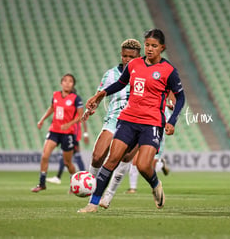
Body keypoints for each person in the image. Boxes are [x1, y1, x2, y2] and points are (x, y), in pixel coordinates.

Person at [78, 29, 185, 213]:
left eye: (154, 46)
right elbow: (120, 83)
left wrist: (172, 121)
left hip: (151, 122)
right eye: (147, 45)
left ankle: (155, 184)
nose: (149, 49)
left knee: (143, 165)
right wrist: (100, 95)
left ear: (162, 48)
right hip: (128, 119)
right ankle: (93, 203)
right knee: (112, 159)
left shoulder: (169, 71)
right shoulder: (135, 64)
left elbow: (180, 97)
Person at [99, 98, 175, 208]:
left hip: (154, 133)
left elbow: (166, 124)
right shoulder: (139, 97)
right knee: (131, 160)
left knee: (146, 166)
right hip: (136, 125)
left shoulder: (161, 107)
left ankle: (160, 167)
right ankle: (128, 189)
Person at [85, 39, 142, 178]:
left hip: (135, 120)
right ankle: (90, 183)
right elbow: (99, 95)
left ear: (139, 57)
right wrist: (92, 107)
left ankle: (107, 194)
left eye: (131, 57)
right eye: (124, 56)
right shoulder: (111, 74)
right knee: (98, 156)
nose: (127, 59)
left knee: (125, 157)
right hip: (114, 118)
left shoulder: (144, 74)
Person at [32, 73, 84, 192]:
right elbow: (52, 108)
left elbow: (80, 116)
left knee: (67, 162)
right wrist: (42, 120)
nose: (67, 83)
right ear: (61, 83)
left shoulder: (76, 98)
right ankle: (42, 183)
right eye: (65, 81)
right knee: (45, 155)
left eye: (70, 81)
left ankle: (73, 183)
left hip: (68, 133)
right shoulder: (55, 95)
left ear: (73, 84)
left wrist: (69, 124)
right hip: (54, 131)